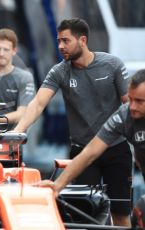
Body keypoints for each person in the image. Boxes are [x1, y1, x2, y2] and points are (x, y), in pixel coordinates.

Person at [13, 18, 132, 227]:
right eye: (59, 41)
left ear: (82, 40)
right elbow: (38, 104)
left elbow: (130, 106)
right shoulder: (59, 71)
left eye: (65, 41)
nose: (60, 46)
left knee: (121, 214)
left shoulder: (112, 65)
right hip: (82, 154)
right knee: (85, 217)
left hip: (116, 149)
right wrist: (18, 131)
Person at [37, 69, 145, 222]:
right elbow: (90, 152)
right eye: (131, 99)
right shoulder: (124, 115)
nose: (132, 106)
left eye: (139, 101)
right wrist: (57, 185)